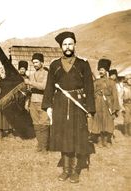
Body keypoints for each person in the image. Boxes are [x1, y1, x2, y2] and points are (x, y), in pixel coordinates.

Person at [42, 31, 95, 183]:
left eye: (70, 43)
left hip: (78, 105)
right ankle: (66, 170)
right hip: (60, 104)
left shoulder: (83, 64)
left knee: (78, 137)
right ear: (61, 47)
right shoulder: (54, 65)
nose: (67, 47)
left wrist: (90, 109)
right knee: (64, 136)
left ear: (74, 45)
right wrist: (48, 106)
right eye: (65, 44)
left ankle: (76, 171)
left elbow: (89, 87)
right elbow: (49, 87)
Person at [91, 59, 120, 148]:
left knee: (108, 122)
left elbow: (115, 95)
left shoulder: (111, 82)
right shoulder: (95, 82)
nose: (100, 71)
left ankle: (107, 140)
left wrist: (115, 108)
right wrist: (96, 94)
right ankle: (99, 140)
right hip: (98, 104)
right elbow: (92, 93)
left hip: (108, 104)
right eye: (99, 70)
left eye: (102, 69)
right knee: (98, 121)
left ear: (106, 70)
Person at [24, 53, 49, 152]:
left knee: (44, 124)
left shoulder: (47, 74)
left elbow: (43, 86)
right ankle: (40, 144)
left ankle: (44, 147)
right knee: (36, 124)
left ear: (42, 62)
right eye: (33, 62)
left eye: (36, 62)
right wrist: (27, 102)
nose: (34, 64)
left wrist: (30, 82)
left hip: (43, 102)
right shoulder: (32, 75)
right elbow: (30, 90)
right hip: (33, 102)